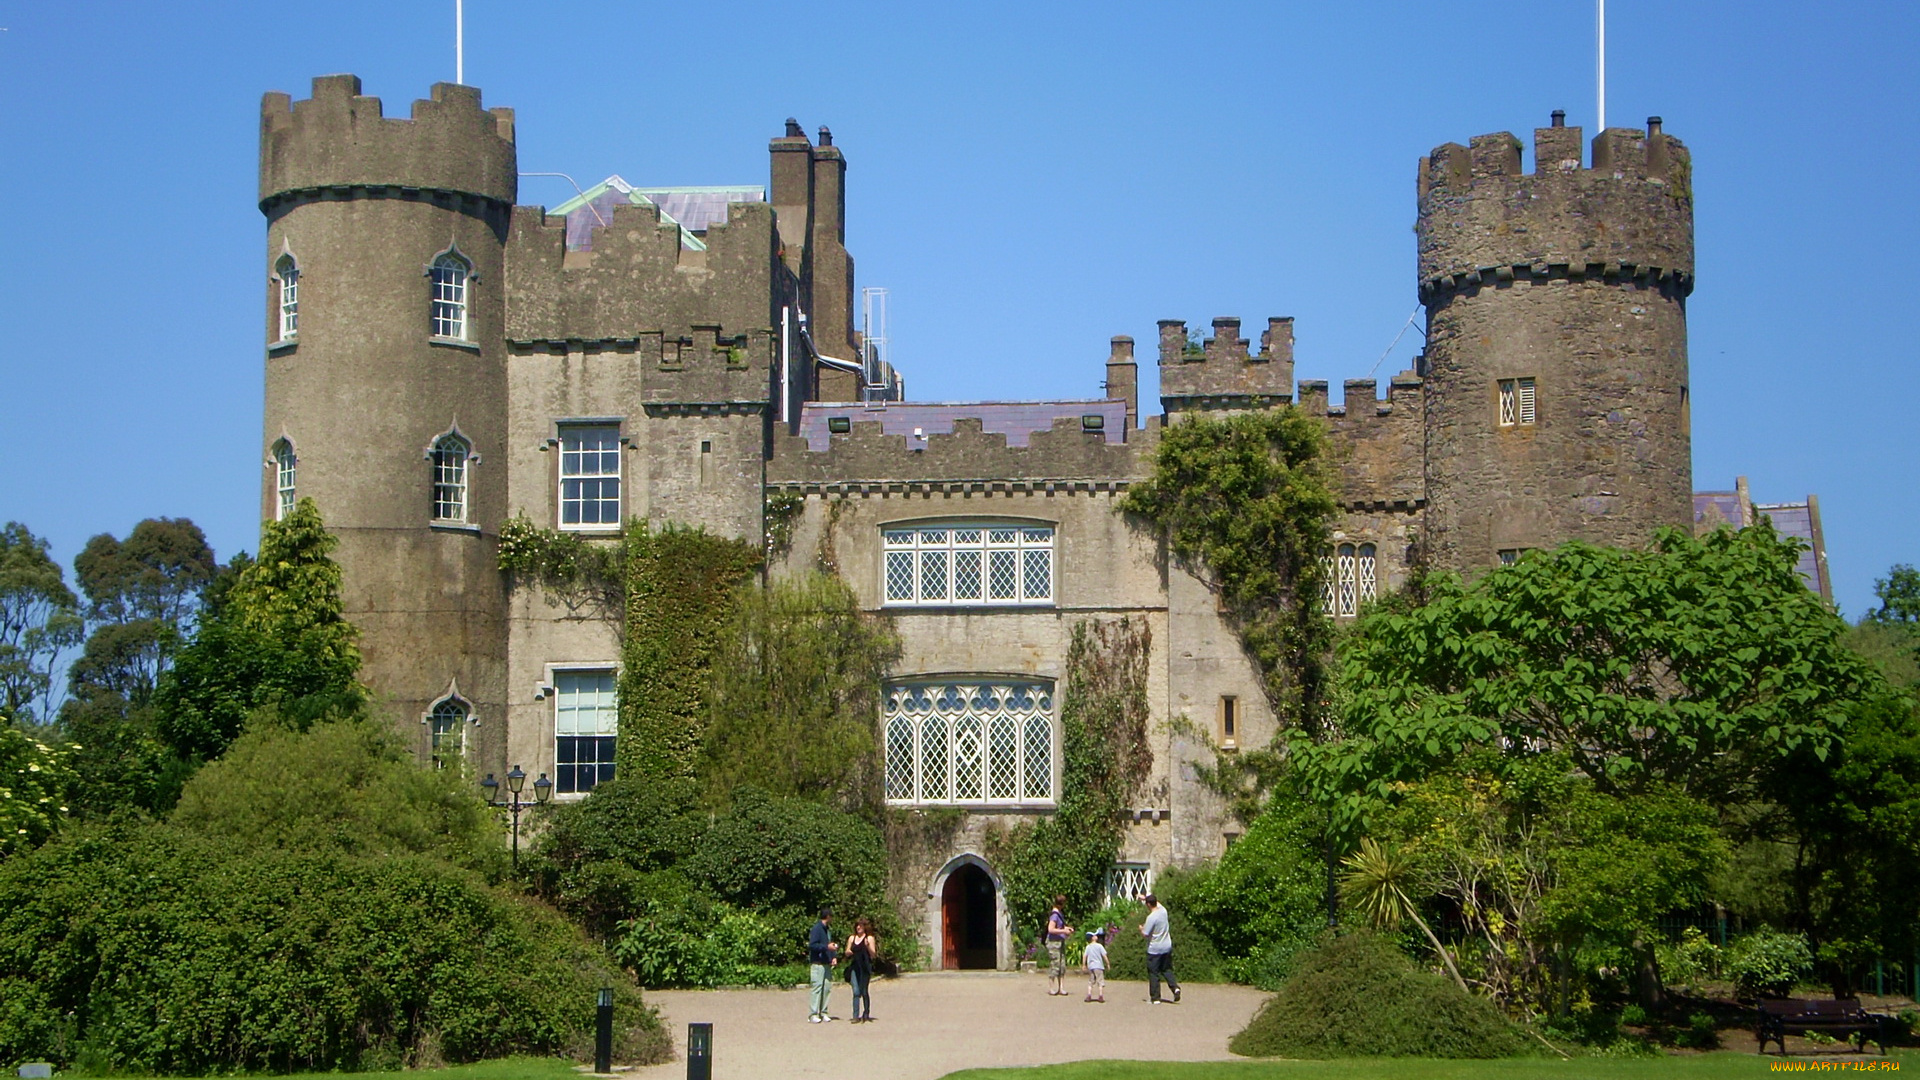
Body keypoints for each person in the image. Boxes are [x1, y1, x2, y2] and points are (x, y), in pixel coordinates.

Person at [1139, 893, 1180, 1004]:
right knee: (1167, 969)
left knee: (1154, 972)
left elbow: (1145, 933)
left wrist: (1141, 928)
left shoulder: (1151, 918)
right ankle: (1175, 987)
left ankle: (1155, 997)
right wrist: (1145, 897)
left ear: (1148, 904)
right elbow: (1157, 903)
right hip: (1166, 946)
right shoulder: (1163, 911)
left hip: (1155, 949)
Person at [807, 907, 839, 1022]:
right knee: (817, 988)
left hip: (826, 963)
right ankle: (813, 1014)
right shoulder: (817, 928)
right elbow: (812, 945)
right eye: (831, 916)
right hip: (817, 963)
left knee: (826, 988)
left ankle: (823, 1012)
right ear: (828, 916)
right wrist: (826, 947)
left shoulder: (827, 930)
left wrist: (833, 956)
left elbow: (829, 945)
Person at [845, 916, 879, 1022]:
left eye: (860, 926)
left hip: (865, 967)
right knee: (856, 991)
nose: (858, 928)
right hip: (855, 967)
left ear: (864, 927)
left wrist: (868, 946)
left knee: (864, 991)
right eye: (857, 926)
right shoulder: (852, 938)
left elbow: (873, 955)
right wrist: (848, 952)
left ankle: (866, 1013)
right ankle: (855, 1016)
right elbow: (847, 951)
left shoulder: (869, 938)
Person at [1044, 896, 1074, 996]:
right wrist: (1064, 931)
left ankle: (1061, 988)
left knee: (1062, 965)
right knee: (1055, 965)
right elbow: (1051, 929)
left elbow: (1060, 926)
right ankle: (1051, 988)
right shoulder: (1054, 915)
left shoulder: (1059, 914)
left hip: (1060, 942)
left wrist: (1067, 928)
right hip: (1053, 943)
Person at [1082, 929, 1109, 1003]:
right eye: (1095, 935)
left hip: (1091, 966)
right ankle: (1100, 996)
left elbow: (1085, 956)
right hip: (1099, 966)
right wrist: (1107, 963)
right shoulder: (1099, 946)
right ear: (1093, 938)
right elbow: (1104, 955)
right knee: (1100, 981)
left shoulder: (1088, 947)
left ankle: (1089, 995)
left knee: (1091, 981)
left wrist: (1084, 965)